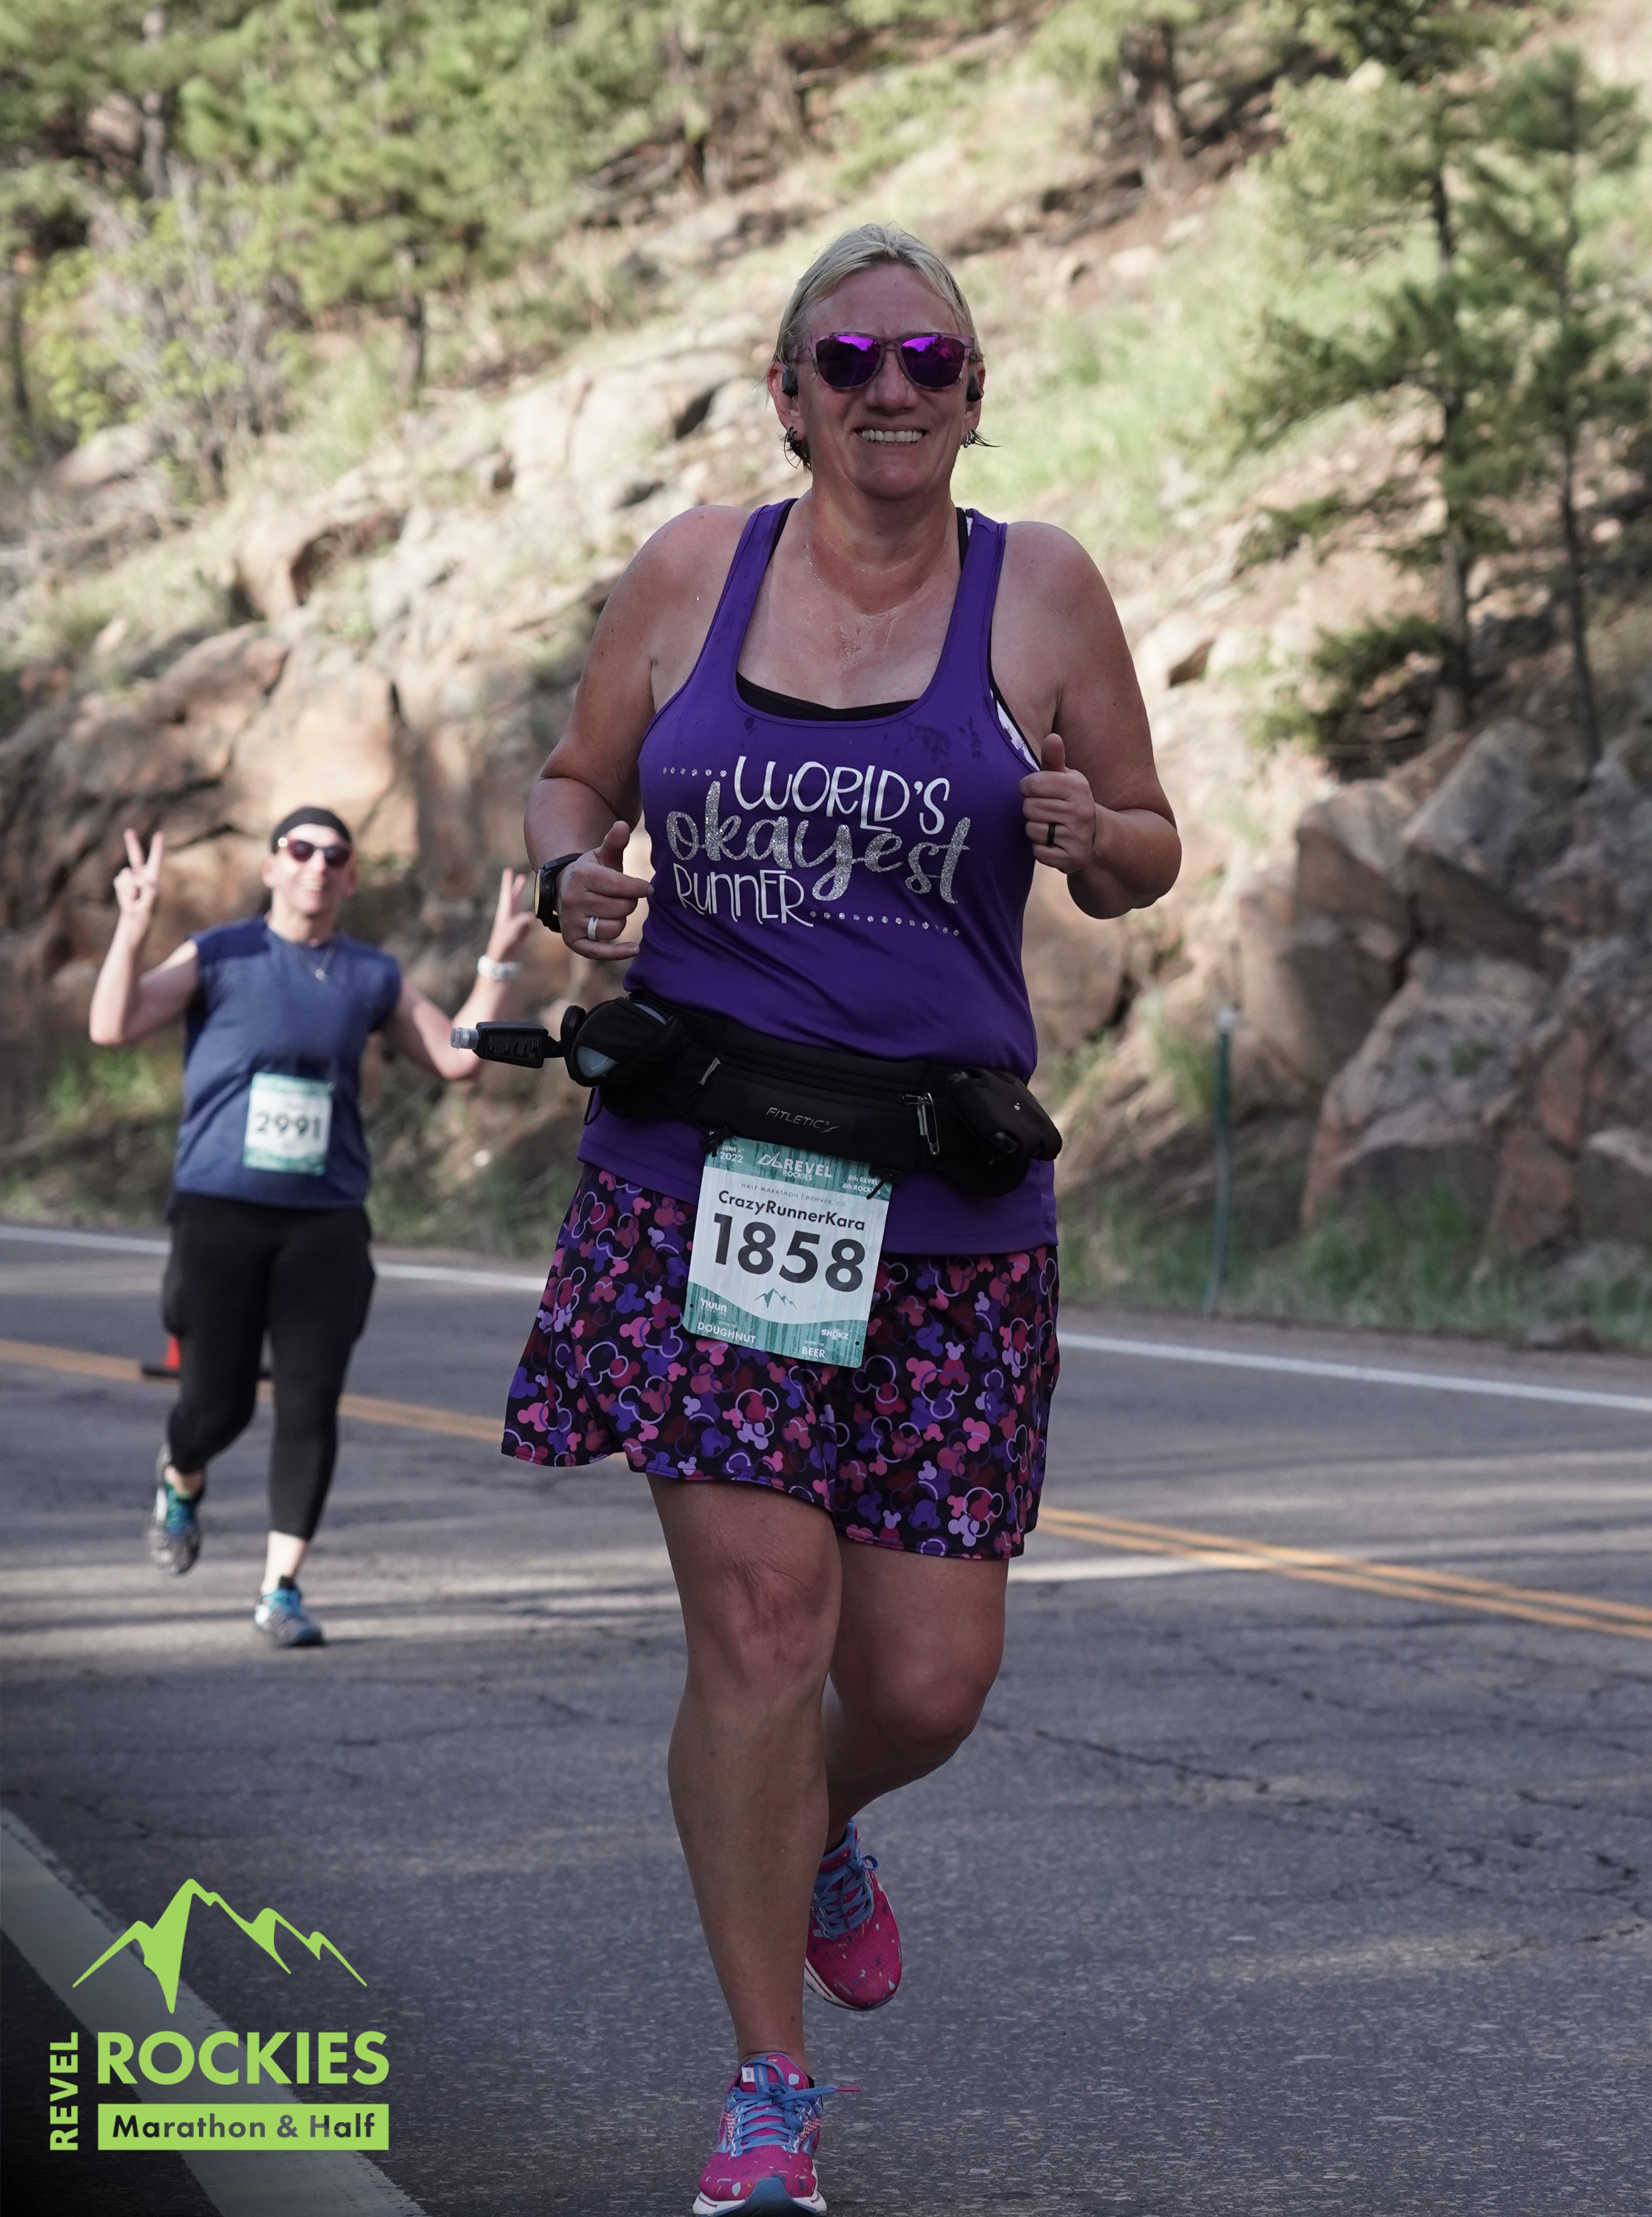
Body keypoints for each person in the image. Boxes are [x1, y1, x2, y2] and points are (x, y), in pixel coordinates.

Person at [503, 220, 1179, 2213]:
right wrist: (568, 881)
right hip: (709, 1177)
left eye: (930, 363)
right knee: (760, 1624)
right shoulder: (691, 575)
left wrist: (1096, 836)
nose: (893, 390)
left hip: (944, 1203)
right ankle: (769, 2095)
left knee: (923, 1680)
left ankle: (806, 1824)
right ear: (789, 394)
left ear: (976, 396)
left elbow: (1148, 849)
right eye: (852, 360)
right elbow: (571, 782)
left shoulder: (1039, 588)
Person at [88, 805, 536, 1648]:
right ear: (272, 867)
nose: (317, 865)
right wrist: (135, 925)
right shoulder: (221, 954)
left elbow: (457, 1057)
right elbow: (112, 1025)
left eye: (335, 855)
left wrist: (500, 959)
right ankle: (182, 1474)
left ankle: (281, 1589)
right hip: (221, 1212)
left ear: (352, 876)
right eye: (300, 850)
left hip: (325, 1221)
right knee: (215, 1408)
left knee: (310, 1399)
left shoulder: (369, 975)